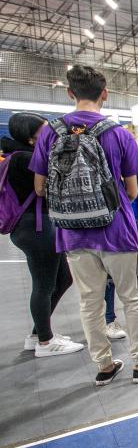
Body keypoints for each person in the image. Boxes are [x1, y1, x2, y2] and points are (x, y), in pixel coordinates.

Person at [30, 65, 138, 386]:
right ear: (105, 94)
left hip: (72, 233)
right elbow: (132, 191)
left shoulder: (50, 133)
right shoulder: (119, 134)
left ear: (70, 93)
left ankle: (105, 365)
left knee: (89, 301)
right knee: (132, 297)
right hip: (117, 230)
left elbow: (40, 187)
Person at [3, 112, 83, 357]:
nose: (51, 135)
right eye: (44, 131)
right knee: (44, 284)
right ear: (30, 138)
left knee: (63, 279)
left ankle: (38, 334)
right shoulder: (25, 159)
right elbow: (52, 185)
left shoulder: (18, 156)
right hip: (36, 228)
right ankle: (46, 342)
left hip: (35, 227)